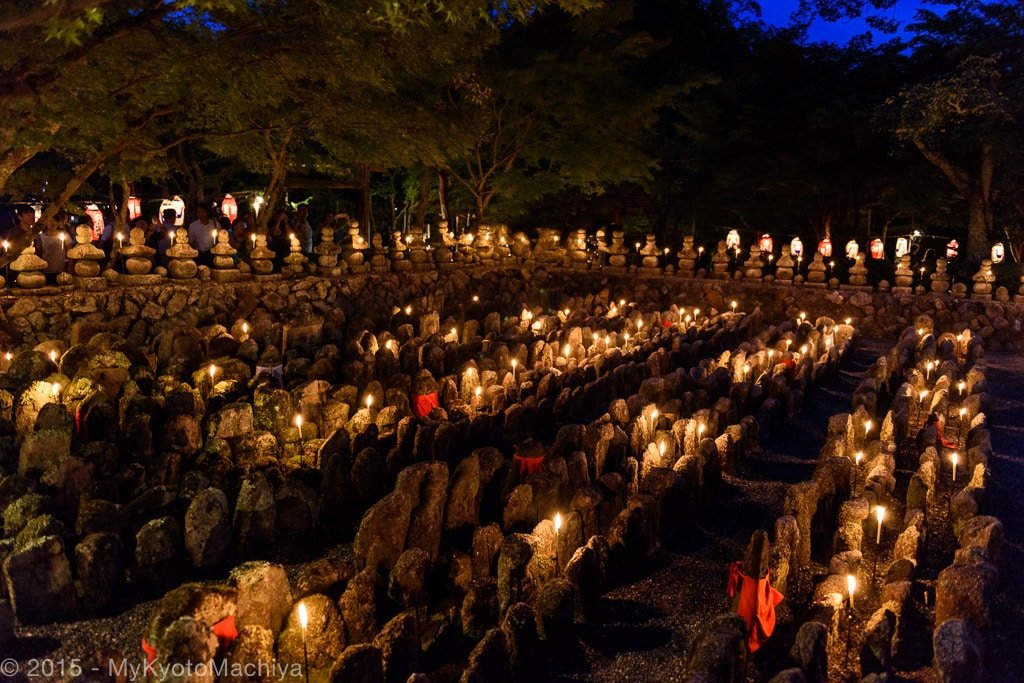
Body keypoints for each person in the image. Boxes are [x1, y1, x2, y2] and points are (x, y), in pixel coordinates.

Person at [35, 219, 66, 284]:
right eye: (50, 220)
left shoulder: (64, 235)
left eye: (55, 221)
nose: (52, 223)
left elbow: (68, 251)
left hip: (61, 270)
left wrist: (69, 268)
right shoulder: (40, 237)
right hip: (45, 270)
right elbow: (38, 254)